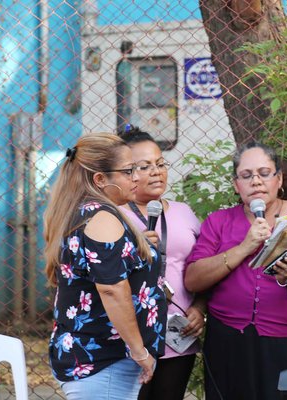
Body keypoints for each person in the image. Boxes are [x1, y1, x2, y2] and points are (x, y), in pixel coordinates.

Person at [184, 142, 287, 399]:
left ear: (279, 179)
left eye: (264, 173)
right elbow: (193, 279)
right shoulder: (219, 222)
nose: (256, 181)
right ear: (236, 185)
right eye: (246, 175)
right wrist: (245, 247)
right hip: (229, 342)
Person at [44, 133, 166, 399]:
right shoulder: (102, 217)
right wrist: (139, 350)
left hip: (92, 357)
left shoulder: (83, 211)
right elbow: (112, 290)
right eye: (128, 171)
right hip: (105, 360)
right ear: (100, 179)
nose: (137, 177)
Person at [117, 126, 205, 400]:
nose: (156, 172)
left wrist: (200, 309)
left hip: (178, 335)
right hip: (129, 339)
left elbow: (201, 268)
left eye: (160, 164)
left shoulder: (184, 212)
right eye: (144, 166)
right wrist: (133, 250)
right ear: (125, 172)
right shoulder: (111, 215)